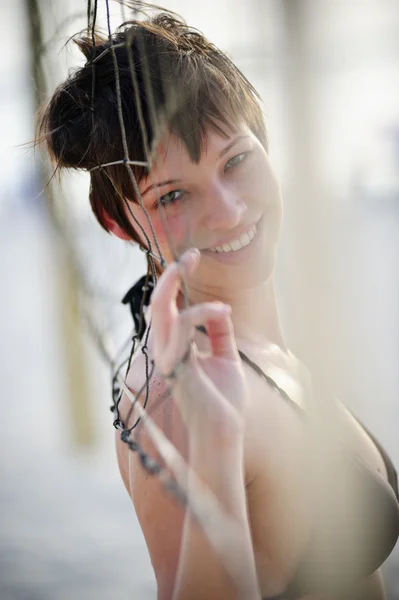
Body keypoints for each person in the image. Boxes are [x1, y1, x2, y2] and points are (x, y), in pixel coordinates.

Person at [36, 9, 399, 600]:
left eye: (236, 160)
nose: (228, 212)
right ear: (116, 222)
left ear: (264, 138)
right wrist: (213, 444)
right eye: (173, 194)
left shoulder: (249, 343)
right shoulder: (175, 401)